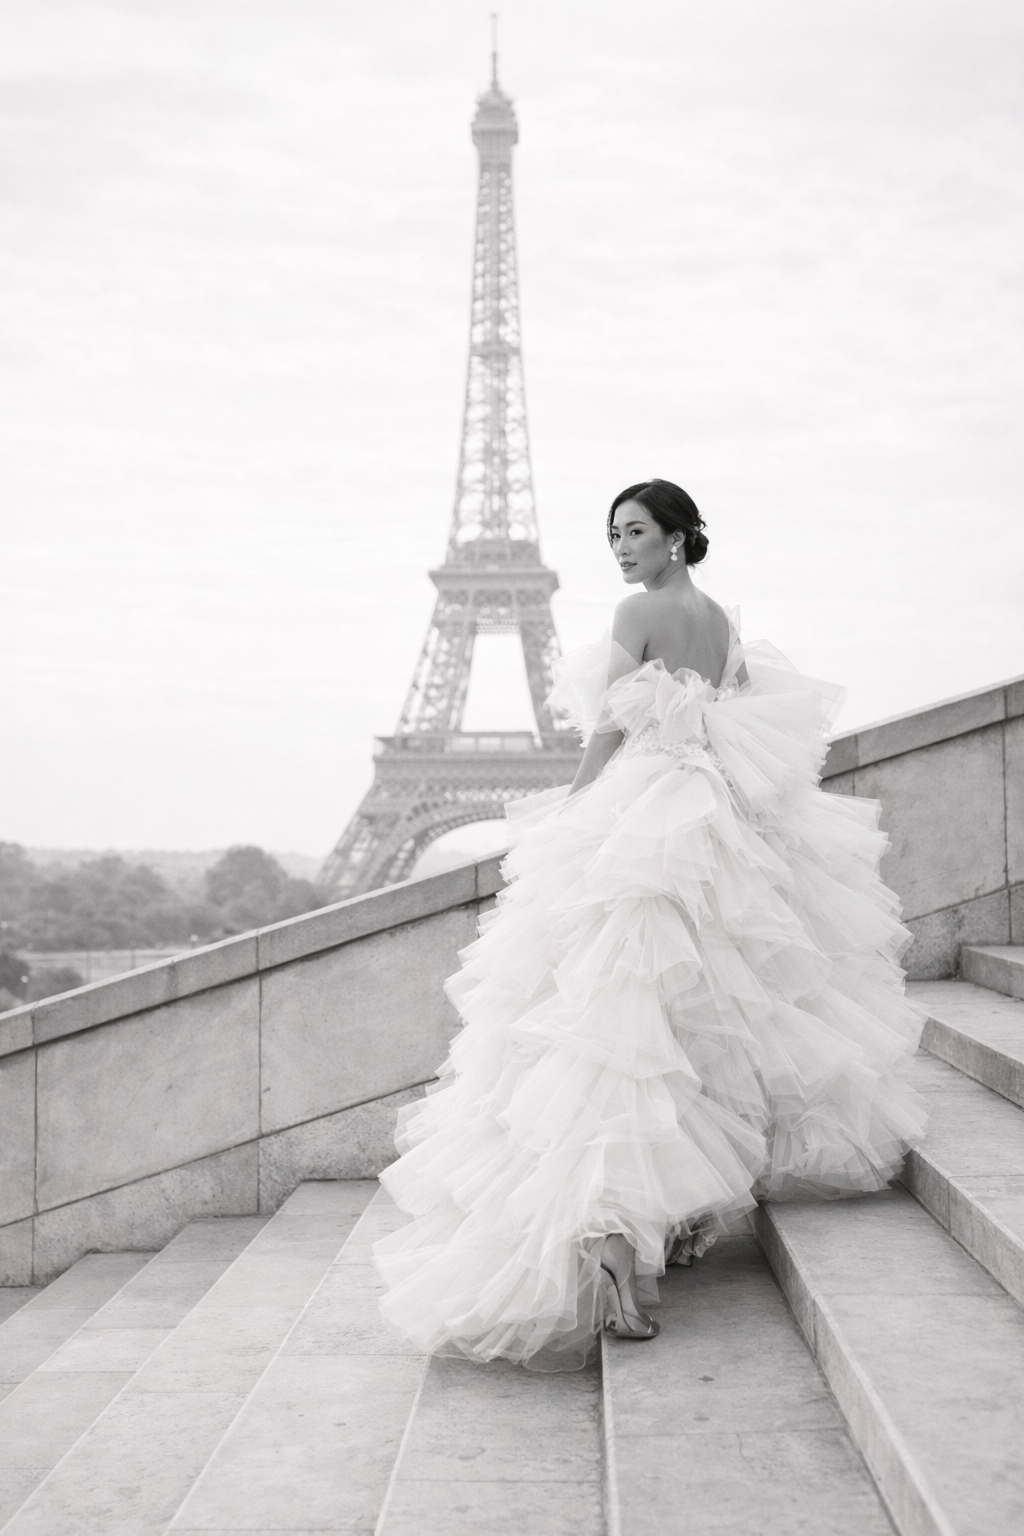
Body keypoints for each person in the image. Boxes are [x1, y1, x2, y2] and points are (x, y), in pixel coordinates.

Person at [374, 478, 926, 1371]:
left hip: (645, 819)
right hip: (712, 826)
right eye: (612, 534)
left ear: (676, 537)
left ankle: (614, 1248)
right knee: (696, 1029)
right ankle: (661, 1225)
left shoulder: (637, 614)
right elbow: (743, 726)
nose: (621, 548)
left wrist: (571, 816)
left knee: (612, 1031)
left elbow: (606, 733)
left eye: (634, 532)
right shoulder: (720, 624)